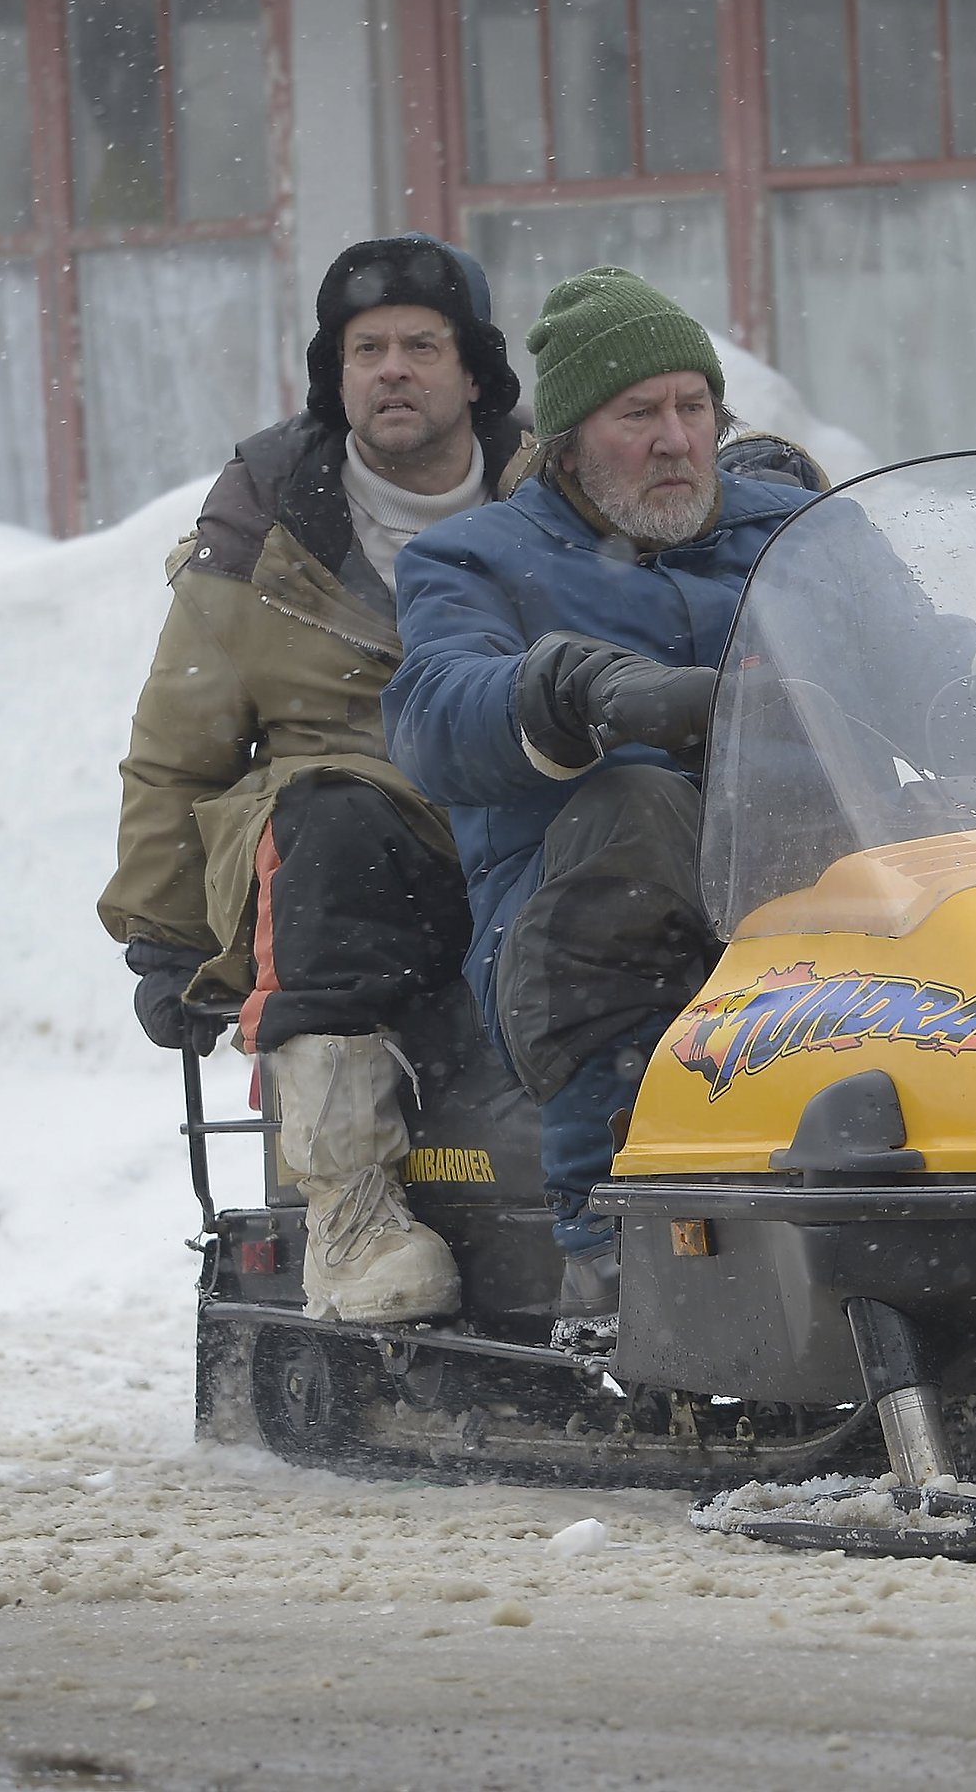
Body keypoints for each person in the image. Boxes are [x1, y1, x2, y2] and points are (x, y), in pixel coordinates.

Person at [99, 234, 529, 1328]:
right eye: (366, 348)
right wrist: (161, 939)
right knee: (328, 818)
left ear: (473, 372)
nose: (393, 369)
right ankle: (353, 1215)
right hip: (347, 858)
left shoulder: (554, 501)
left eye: (422, 346)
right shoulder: (265, 533)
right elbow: (177, 748)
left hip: (519, 825)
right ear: (333, 379)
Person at [384, 268, 819, 1321]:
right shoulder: (474, 558)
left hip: (808, 910)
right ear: (571, 439)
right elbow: (434, 710)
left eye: (693, 407)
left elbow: (916, 656)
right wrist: (572, 686)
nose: (676, 439)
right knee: (637, 803)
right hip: (569, 944)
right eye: (639, 415)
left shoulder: (799, 532)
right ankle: (606, 1226)